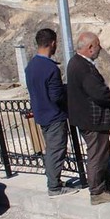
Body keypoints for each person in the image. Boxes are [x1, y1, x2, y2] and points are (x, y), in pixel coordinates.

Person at [67, 32, 110, 206]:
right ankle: (97, 192)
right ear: (90, 47)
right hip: (93, 119)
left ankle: (103, 186)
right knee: (97, 155)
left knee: (97, 153)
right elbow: (99, 94)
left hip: (86, 119)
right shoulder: (84, 67)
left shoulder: (75, 63)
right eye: (98, 45)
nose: (100, 49)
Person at [25, 28, 78, 196]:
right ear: (53, 43)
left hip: (41, 114)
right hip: (54, 115)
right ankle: (54, 186)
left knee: (50, 149)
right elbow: (56, 96)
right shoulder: (50, 68)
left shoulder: (31, 66)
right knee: (56, 150)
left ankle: (54, 180)